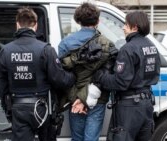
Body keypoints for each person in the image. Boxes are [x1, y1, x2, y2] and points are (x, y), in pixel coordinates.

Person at [0, 7, 75, 141]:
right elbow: (59, 80)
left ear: (17, 25)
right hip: (43, 108)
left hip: (18, 107)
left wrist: (8, 109)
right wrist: (74, 76)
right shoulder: (46, 50)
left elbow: (2, 86)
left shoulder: (5, 51)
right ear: (36, 25)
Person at [93, 11, 161, 141]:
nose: (123, 28)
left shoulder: (128, 49)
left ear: (134, 27)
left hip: (129, 108)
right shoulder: (152, 46)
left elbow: (120, 82)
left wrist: (100, 76)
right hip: (146, 105)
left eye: (126, 24)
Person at [58, 2, 116, 141]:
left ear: (78, 21)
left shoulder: (66, 43)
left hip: (74, 98)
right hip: (98, 98)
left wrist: (78, 99)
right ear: (98, 21)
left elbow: (61, 75)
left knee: (77, 138)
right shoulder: (107, 43)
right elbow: (109, 73)